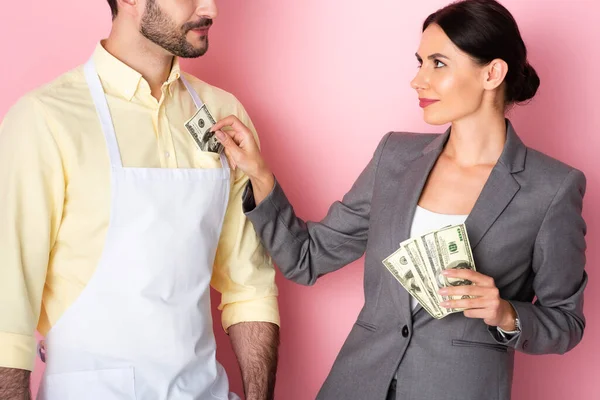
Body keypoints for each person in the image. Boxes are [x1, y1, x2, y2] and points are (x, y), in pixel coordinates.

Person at [211, 0, 588, 399]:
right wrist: (259, 173)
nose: (418, 80)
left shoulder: (552, 188)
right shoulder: (395, 157)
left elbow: (565, 321)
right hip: (356, 384)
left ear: (492, 73)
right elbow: (306, 258)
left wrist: (505, 313)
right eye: (419, 62)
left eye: (438, 63)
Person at [0, 1, 280, 399]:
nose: (211, 9)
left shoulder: (224, 115)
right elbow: (6, 313)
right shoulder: (44, 120)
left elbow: (249, 285)